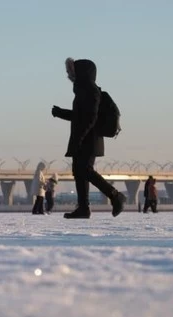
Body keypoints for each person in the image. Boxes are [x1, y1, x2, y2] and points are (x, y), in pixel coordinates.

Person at [52, 58, 126, 218]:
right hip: (85, 137)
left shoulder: (90, 90)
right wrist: (60, 113)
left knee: (85, 170)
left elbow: (90, 118)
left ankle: (115, 195)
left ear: (81, 72)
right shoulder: (83, 90)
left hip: (89, 139)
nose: (68, 75)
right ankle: (83, 208)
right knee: (79, 171)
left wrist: (80, 137)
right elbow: (80, 116)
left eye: (71, 71)